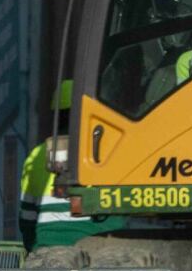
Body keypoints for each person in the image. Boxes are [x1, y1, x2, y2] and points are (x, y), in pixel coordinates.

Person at [19, 81, 126, 251]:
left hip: (48, 251)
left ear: (56, 115)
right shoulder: (108, 152)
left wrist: (36, 250)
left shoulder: (37, 156)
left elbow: (27, 220)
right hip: (101, 251)